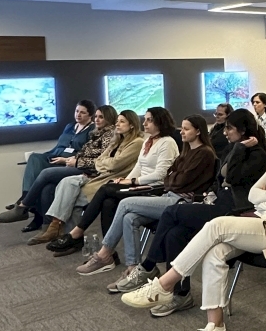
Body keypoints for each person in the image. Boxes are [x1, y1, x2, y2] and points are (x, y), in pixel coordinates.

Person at [121, 116, 266, 331]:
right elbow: (252, 194)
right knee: (215, 253)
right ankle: (215, 326)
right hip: (256, 220)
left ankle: (166, 283)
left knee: (216, 226)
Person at [108, 110, 266, 310]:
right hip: (218, 204)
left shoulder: (257, 155)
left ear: (243, 130)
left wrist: (239, 149)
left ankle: (148, 266)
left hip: (234, 212)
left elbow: (233, 178)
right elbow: (218, 180)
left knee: (171, 212)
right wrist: (212, 190)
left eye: (229, 128)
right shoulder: (232, 148)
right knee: (174, 234)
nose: (225, 132)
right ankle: (180, 294)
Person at [76, 114, 217, 275]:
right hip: (169, 195)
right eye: (182, 128)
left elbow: (178, 180)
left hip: (182, 202)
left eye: (186, 129)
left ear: (198, 131)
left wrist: (172, 178)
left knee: (125, 203)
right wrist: (173, 178)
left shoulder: (204, 153)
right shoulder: (187, 151)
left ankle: (104, 254)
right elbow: (170, 176)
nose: (181, 132)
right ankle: (133, 268)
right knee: (129, 218)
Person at [48, 107, 179, 255]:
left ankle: (77, 232)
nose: (144, 123)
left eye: (149, 120)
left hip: (154, 188)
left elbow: (160, 174)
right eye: (145, 119)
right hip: (140, 184)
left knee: (106, 188)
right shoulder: (148, 141)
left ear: (160, 122)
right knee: (108, 202)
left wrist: (133, 181)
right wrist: (126, 180)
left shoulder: (167, 143)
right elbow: (139, 166)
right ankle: (109, 254)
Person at [43, 111, 144, 248]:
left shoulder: (137, 142)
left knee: (73, 199)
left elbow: (115, 165)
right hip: (101, 175)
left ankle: (70, 236)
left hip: (114, 179)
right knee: (68, 188)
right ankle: (67, 235)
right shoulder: (117, 140)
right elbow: (99, 161)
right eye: (117, 121)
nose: (117, 124)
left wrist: (104, 163)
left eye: (122, 122)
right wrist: (105, 163)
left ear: (132, 125)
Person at [20, 106, 117, 239]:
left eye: (101, 117)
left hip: (90, 172)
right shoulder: (96, 133)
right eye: (96, 116)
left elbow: (101, 161)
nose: (97, 120)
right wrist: (72, 159)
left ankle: (24, 205)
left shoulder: (110, 135)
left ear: (109, 118)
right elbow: (84, 153)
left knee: (46, 173)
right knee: (48, 188)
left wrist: (76, 162)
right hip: (79, 164)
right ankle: (47, 228)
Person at [0, 99, 97, 223]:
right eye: (77, 111)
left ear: (90, 115)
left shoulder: (92, 130)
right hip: (54, 155)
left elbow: (87, 153)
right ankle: (25, 197)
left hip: (68, 161)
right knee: (34, 157)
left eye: (82, 112)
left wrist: (65, 160)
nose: (78, 115)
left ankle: (24, 206)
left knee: (45, 181)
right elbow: (60, 145)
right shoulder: (70, 126)